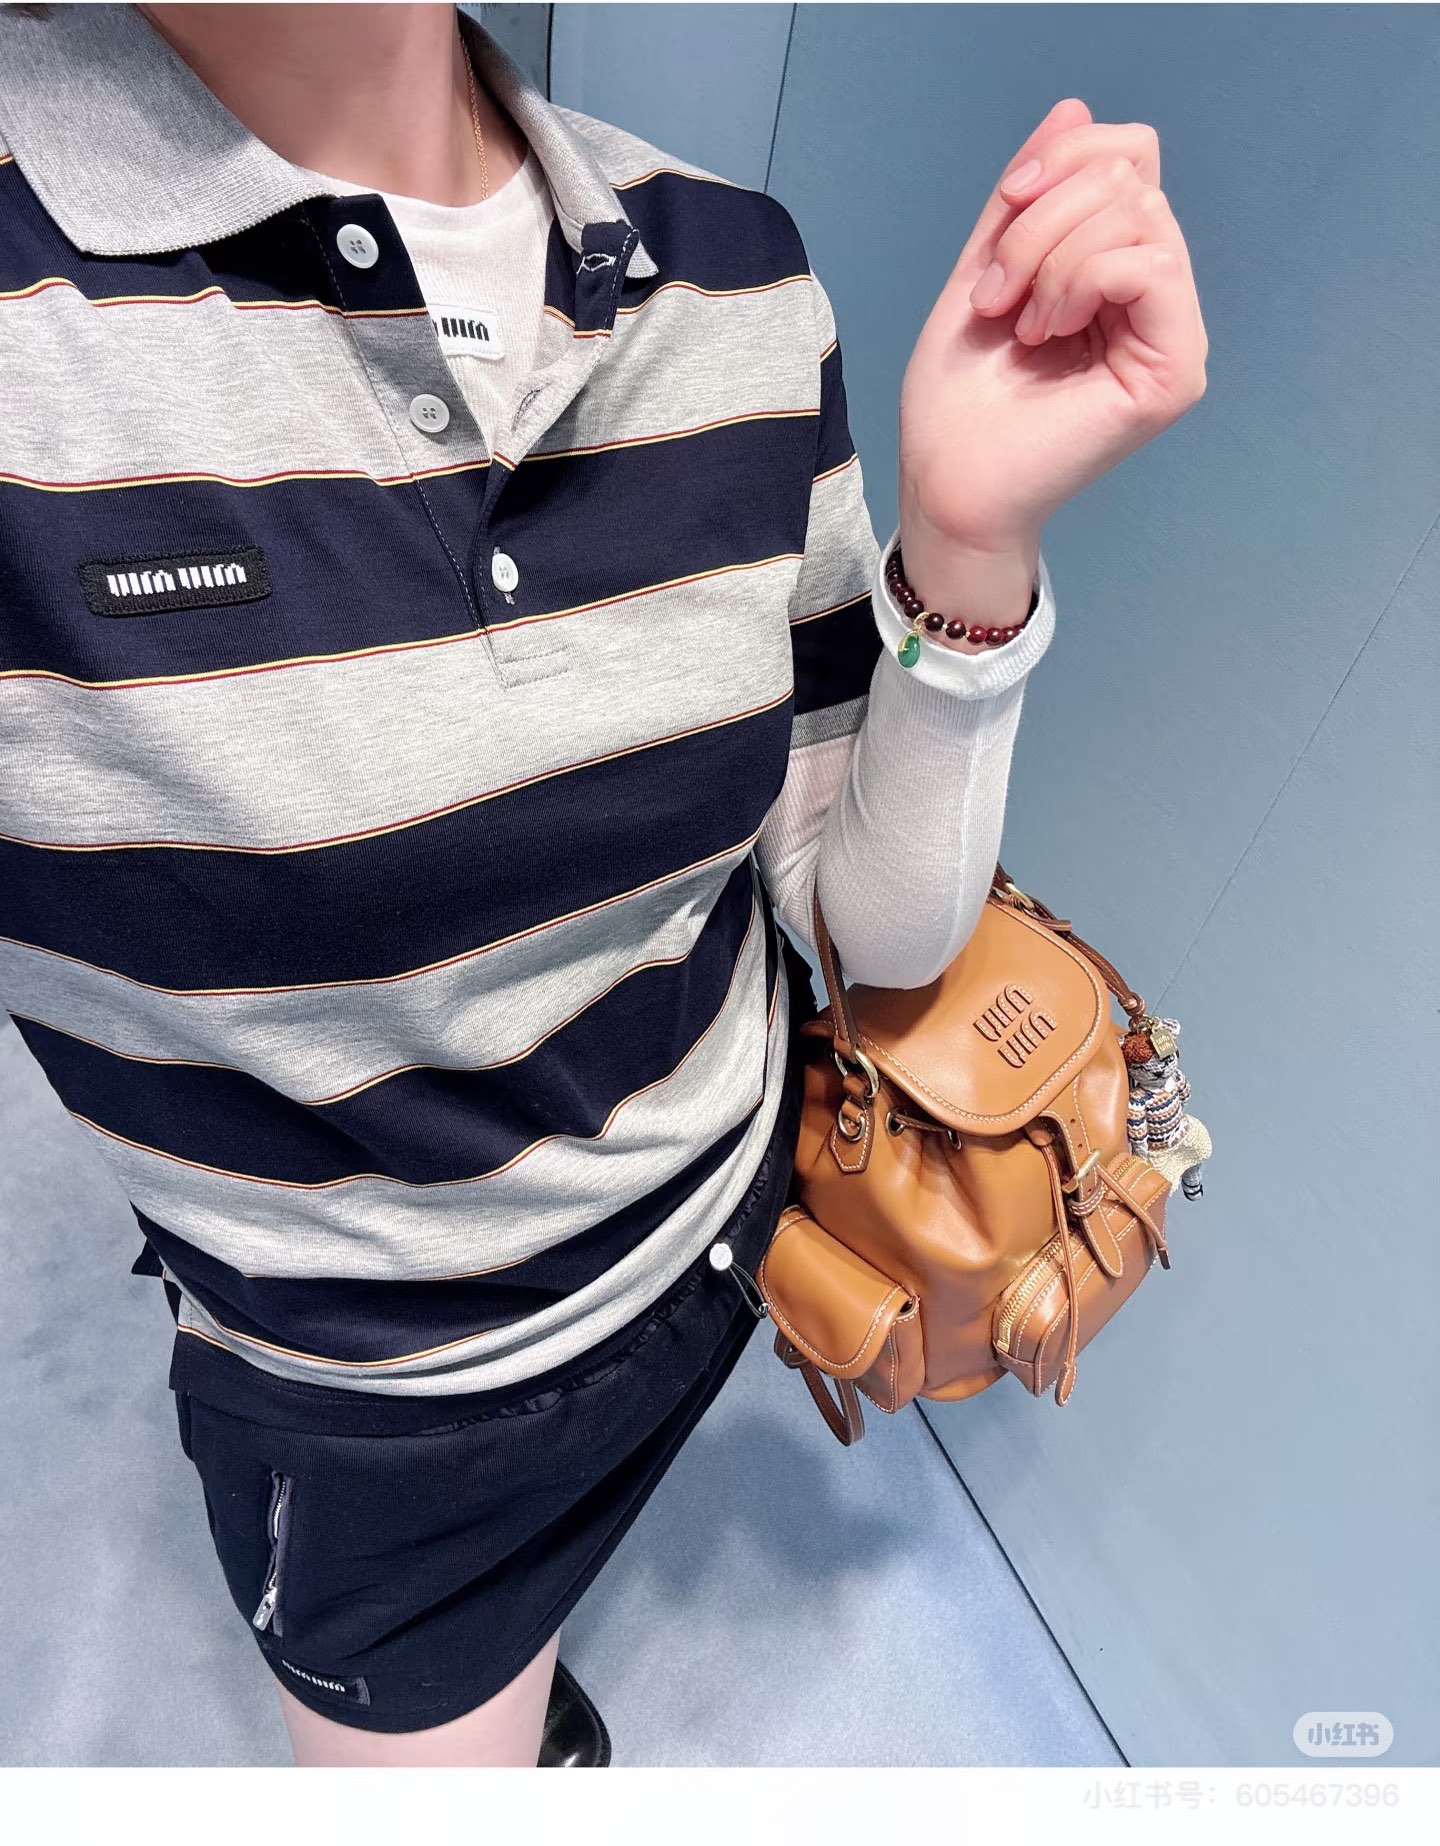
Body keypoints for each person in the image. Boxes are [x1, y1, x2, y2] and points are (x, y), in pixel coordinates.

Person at [0, 1, 1206, 1768]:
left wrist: (969, 551)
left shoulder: (733, 273)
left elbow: (854, 912)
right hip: (387, 1411)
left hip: (734, 1227)